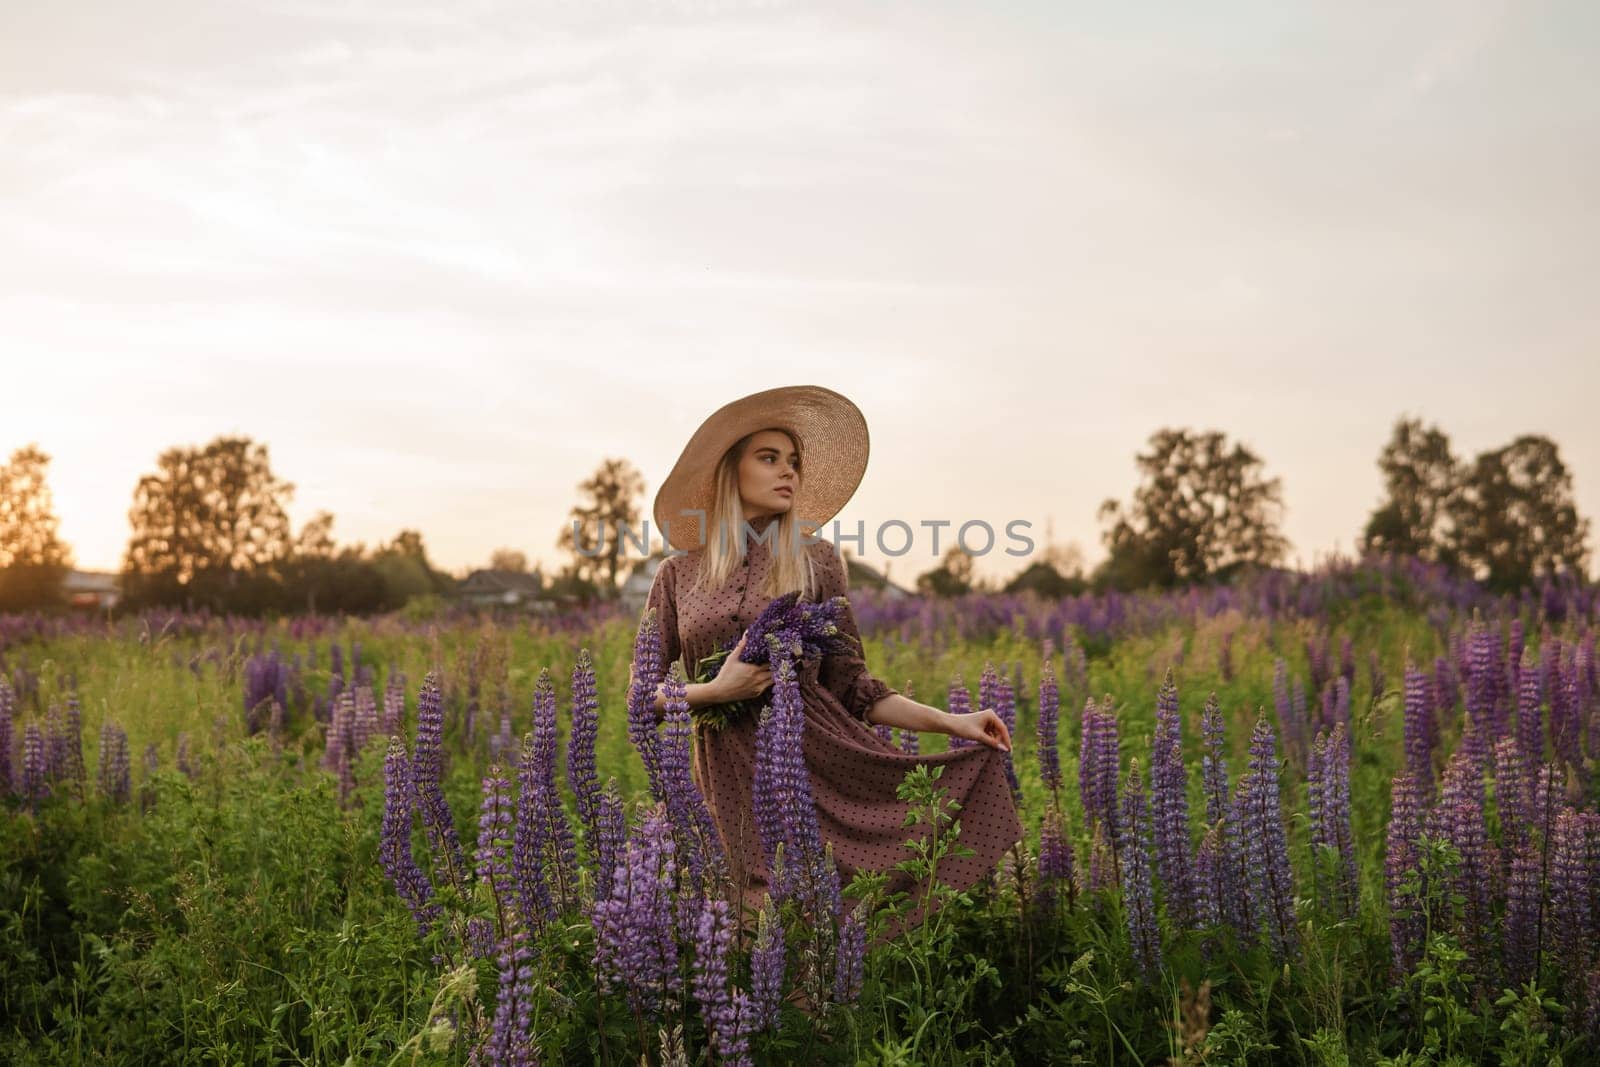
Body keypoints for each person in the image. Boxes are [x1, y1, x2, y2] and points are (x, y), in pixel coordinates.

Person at [636, 384, 1024, 950]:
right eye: (769, 458)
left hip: (816, 761)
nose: (787, 472)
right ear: (730, 470)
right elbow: (641, 696)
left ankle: (833, 1028)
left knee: (812, 928)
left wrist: (952, 722)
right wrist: (715, 691)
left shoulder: (817, 560)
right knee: (744, 931)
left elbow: (853, 687)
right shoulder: (677, 576)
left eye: (793, 461)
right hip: (723, 774)